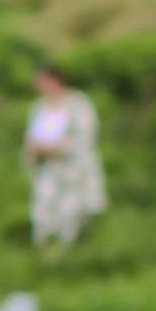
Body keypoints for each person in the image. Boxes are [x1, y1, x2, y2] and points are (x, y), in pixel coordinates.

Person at [24, 64, 108, 252]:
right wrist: (34, 150)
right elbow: (31, 137)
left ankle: (71, 248)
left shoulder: (78, 104)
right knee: (43, 206)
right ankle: (44, 246)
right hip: (47, 167)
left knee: (71, 210)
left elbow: (85, 136)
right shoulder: (38, 107)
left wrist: (60, 147)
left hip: (73, 167)